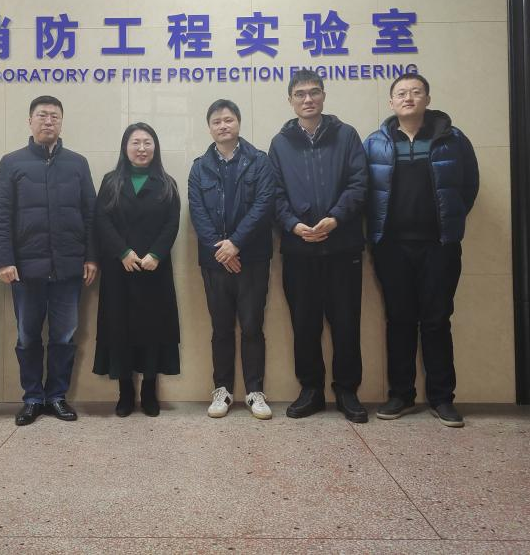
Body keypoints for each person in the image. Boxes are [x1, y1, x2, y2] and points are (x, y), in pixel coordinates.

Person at [364, 73, 479, 428]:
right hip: (391, 247)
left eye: (416, 92)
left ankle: (442, 398)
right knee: (399, 320)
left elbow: (469, 186)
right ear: (391, 102)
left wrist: (448, 222)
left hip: (439, 245)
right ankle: (401, 395)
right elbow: (365, 191)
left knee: (436, 320)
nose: (408, 98)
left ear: (427, 99)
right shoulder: (376, 143)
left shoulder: (452, 140)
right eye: (401, 93)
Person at [269, 69, 369, 423]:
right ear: (290, 100)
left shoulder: (347, 135)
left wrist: (336, 218)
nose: (308, 99)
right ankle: (310, 389)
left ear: (324, 95)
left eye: (314, 92)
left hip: (342, 247)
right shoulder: (280, 143)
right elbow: (274, 193)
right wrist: (293, 225)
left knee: (346, 323)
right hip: (299, 251)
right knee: (304, 324)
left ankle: (347, 391)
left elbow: (360, 183)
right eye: (300, 94)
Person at [0, 95, 97, 426]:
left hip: (68, 268)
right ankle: (33, 398)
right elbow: (0, 216)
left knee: (64, 336)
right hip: (25, 270)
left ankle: (57, 396)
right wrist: (4, 260)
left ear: (61, 122)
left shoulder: (77, 163)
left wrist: (91, 257)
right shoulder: (12, 163)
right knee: (27, 337)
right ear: (30, 121)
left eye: (54, 116)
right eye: (42, 115)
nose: (48, 121)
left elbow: (90, 215)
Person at [188, 100, 275, 420]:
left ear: (238, 123)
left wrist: (236, 244)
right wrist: (221, 250)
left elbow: (264, 204)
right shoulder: (199, 167)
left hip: (252, 258)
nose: (223, 125)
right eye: (217, 121)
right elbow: (197, 211)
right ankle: (222, 390)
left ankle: (255, 391)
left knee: (252, 326)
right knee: (221, 327)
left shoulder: (260, 161)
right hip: (215, 262)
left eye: (228, 120)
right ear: (209, 128)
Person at [93, 123, 181, 417]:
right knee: (119, 328)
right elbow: (101, 220)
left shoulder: (167, 183)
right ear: (125, 147)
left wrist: (156, 254)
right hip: (119, 271)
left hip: (155, 271)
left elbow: (172, 223)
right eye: (135, 142)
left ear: (155, 147)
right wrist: (123, 252)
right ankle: (125, 393)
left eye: (147, 142)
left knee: (153, 329)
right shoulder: (110, 182)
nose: (142, 148)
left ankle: (150, 391)